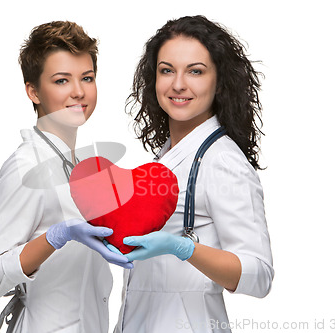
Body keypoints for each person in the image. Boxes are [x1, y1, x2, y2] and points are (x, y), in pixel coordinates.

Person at [114, 16, 274, 333]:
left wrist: (183, 249)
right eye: (167, 70)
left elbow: (259, 275)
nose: (178, 84)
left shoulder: (222, 161)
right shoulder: (166, 154)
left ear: (220, 81)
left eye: (195, 71)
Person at [0, 21, 132, 333]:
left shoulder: (84, 167)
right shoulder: (25, 167)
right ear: (33, 91)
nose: (78, 91)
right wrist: (55, 237)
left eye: (87, 78)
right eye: (62, 80)